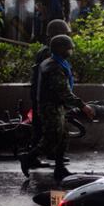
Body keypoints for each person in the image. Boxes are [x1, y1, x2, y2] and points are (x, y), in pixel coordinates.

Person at [21, 35, 94, 181]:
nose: (71, 50)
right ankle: (28, 158)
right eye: (68, 48)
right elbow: (64, 92)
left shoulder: (57, 63)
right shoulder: (53, 67)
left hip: (59, 106)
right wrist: (82, 106)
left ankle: (60, 169)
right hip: (51, 107)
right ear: (60, 49)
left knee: (63, 138)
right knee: (51, 138)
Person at [29, 19, 71, 169]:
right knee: (43, 128)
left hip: (41, 93)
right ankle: (31, 158)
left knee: (49, 129)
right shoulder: (50, 52)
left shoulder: (45, 50)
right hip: (47, 97)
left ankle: (54, 158)